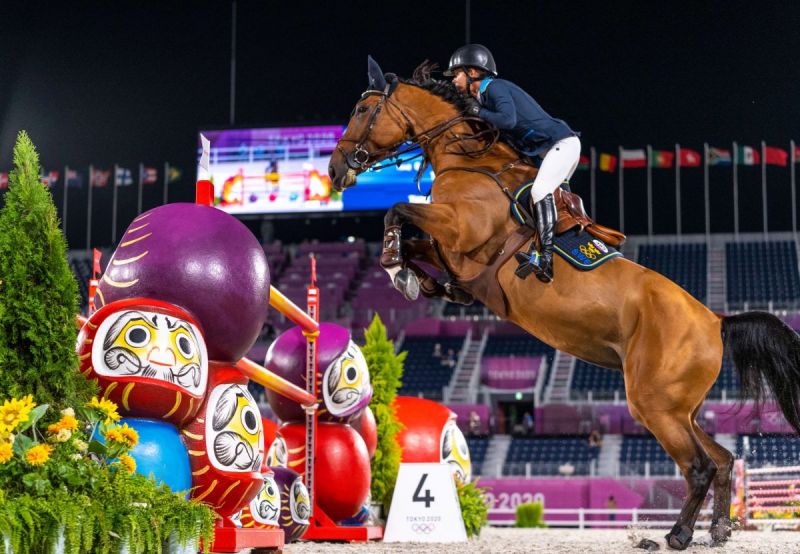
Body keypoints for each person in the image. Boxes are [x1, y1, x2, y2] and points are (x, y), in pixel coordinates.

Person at [445, 44, 581, 283]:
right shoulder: (482, 97)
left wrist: (479, 112)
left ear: (473, 73)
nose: (454, 80)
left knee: (540, 191)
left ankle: (545, 257)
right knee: (545, 199)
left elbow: (508, 121)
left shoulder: (495, 88)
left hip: (562, 144)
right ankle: (568, 246)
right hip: (549, 150)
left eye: (457, 74)